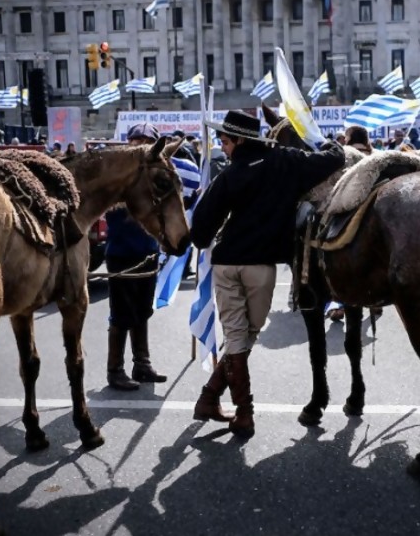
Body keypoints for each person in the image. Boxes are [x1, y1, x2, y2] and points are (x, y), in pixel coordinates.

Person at [190, 110, 345, 436]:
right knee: (243, 336)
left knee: (240, 337)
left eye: (226, 141)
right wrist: (322, 139)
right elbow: (336, 157)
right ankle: (244, 413)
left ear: (241, 140)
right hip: (261, 267)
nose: (223, 147)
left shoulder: (229, 175)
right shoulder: (286, 161)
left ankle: (209, 397)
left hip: (227, 263)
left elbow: (201, 230)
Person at [103, 123, 170, 390]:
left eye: (146, 140)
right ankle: (115, 369)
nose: (140, 144)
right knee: (121, 314)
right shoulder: (116, 176)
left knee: (143, 311)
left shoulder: (154, 178)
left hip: (148, 251)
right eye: (136, 140)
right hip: (122, 252)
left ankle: (142, 364)